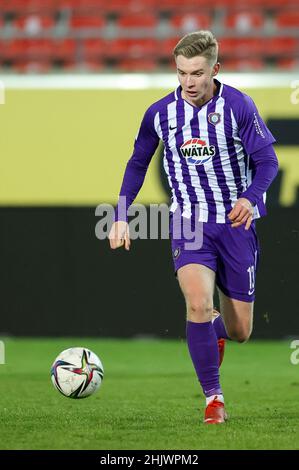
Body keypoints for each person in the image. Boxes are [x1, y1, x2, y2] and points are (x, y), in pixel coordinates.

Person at [108, 31, 278, 424]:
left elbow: (268, 162)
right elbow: (137, 163)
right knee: (198, 304)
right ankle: (213, 399)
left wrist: (249, 197)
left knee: (239, 331)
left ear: (214, 70)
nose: (188, 82)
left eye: (197, 73)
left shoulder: (238, 106)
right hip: (189, 223)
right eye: (182, 72)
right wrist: (120, 214)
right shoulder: (160, 113)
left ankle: (215, 331)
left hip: (236, 224)